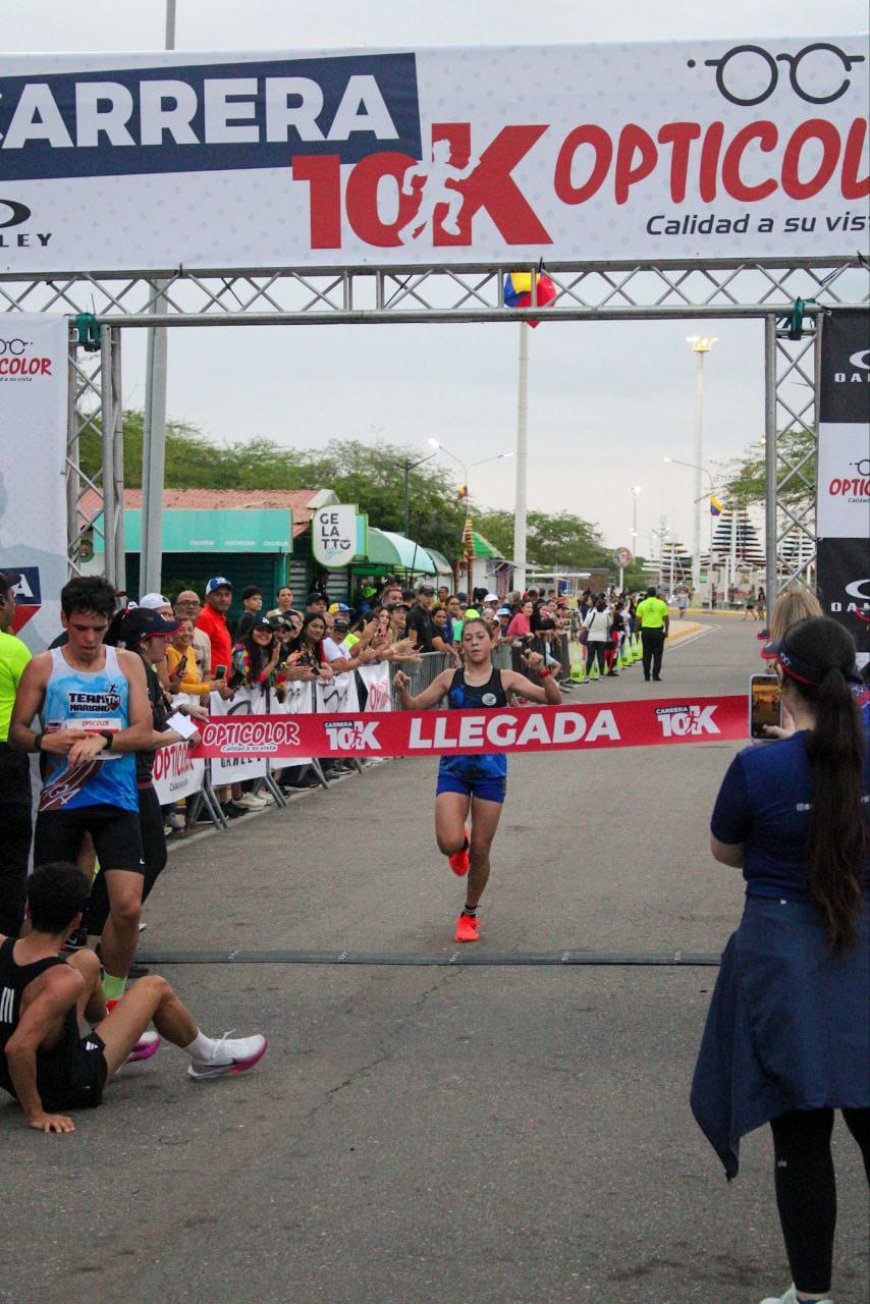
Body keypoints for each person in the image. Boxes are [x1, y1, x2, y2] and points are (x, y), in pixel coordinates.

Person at [691, 618, 869, 1304]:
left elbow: (725, 851)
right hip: (862, 945)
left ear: (784, 681)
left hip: (785, 954)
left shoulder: (758, 767)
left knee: (801, 1131)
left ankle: (813, 1294)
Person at [0, 861, 268, 1134]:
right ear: (77, 920)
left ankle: (115, 1037)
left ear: (28, 910)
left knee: (87, 959)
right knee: (154, 987)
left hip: (16, 1077)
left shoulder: (4, 946)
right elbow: (17, 1048)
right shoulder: (61, 980)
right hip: (66, 1087)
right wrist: (36, 1113)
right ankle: (209, 1057)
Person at [9, 577, 152, 1003]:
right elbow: (17, 732)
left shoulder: (126, 664)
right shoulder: (44, 666)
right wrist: (42, 742)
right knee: (46, 915)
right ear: (64, 620)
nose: (89, 638)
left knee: (127, 907)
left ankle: (111, 998)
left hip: (116, 799)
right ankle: (27, 994)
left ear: (110, 622)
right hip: (62, 801)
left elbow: (143, 731)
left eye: (98, 628)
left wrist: (104, 741)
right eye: (80, 628)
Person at [392, 618, 561, 943]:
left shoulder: (506, 678)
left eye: (480, 637)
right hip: (453, 769)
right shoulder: (448, 678)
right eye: (467, 638)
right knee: (448, 843)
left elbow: (553, 702)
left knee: (482, 851)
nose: (473, 643)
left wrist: (542, 671)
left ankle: (469, 914)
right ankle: (461, 845)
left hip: (490, 772)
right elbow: (413, 710)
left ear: (491, 640)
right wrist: (401, 688)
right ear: (461, 645)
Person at [0, 569, 32, 937]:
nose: (14, 605)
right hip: (6, 761)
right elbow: (39, 701)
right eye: (11, 598)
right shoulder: (13, 648)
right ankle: (7, 951)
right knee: (9, 861)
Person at [195, 577, 234, 679]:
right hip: (210, 686)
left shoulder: (220, 618)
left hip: (219, 685)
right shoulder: (205, 617)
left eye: (227, 595)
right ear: (207, 597)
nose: (224, 599)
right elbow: (198, 655)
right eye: (218, 594)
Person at [635, 586, 670, 682]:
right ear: (655, 594)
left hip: (646, 631)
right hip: (658, 632)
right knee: (658, 654)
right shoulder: (661, 604)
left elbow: (638, 619)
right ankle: (655, 675)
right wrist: (666, 631)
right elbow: (666, 618)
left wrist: (637, 631)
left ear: (647, 593)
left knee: (646, 654)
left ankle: (646, 675)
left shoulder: (642, 604)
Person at [582, 595, 611, 679]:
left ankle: (587, 674)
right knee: (600, 657)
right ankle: (601, 675)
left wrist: (579, 636)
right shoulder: (606, 615)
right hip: (602, 638)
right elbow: (610, 624)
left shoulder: (591, 614)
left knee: (590, 657)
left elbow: (584, 626)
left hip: (591, 637)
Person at [405, 583, 437, 654]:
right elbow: (412, 641)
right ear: (419, 597)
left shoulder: (427, 612)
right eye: (426, 595)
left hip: (427, 656)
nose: (429, 598)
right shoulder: (414, 614)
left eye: (431, 596)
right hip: (418, 656)